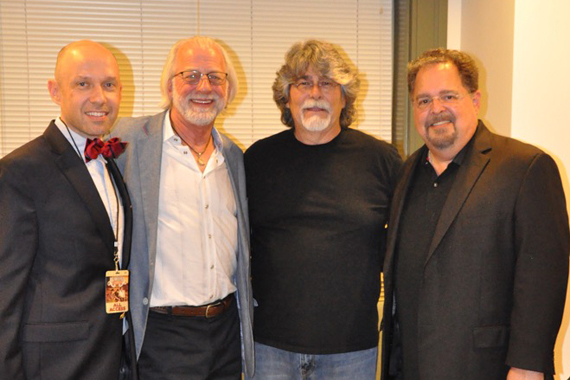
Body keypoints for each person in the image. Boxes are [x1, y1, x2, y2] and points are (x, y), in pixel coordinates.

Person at [380, 48, 569, 380]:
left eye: (448, 96)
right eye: (423, 101)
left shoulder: (525, 168)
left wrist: (527, 367)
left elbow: (543, 278)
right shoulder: (406, 172)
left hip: (487, 369)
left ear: (475, 99)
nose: (436, 109)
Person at [244, 39, 402, 379]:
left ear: (344, 97)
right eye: (303, 83)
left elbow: (405, 245)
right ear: (287, 97)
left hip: (352, 350)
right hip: (270, 346)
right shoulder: (257, 161)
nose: (316, 92)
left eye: (328, 83)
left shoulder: (382, 161)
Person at [110, 36, 254, 380]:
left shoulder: (233, 157)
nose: (203, 87)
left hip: (225, 331)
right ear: (169, 85)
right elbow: (75, 163)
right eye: (190, 75)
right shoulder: (125, 140)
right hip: (162, 334)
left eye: (215, 77)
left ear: (228, 89)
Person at [0, 40, 137, 379]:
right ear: (55, 91)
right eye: (82, 84)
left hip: (113, 356)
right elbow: (4, 295)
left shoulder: (110, 160)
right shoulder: (20, 170)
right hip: (56, 365)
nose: (99, 97)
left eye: (108, 84)